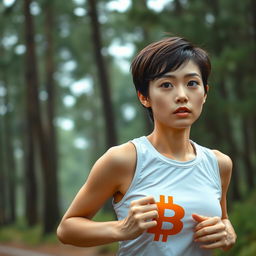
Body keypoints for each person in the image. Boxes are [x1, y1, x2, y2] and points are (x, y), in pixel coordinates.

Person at [57, 36, 237, 256]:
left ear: (205, 93)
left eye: (192, 83)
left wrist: (228, 234)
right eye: (166, 85)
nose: (181, 96)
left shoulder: (219, 164)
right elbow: (67, 228)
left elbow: (224, 222)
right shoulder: (124, 160)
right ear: (144, 97)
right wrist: (121, 228)